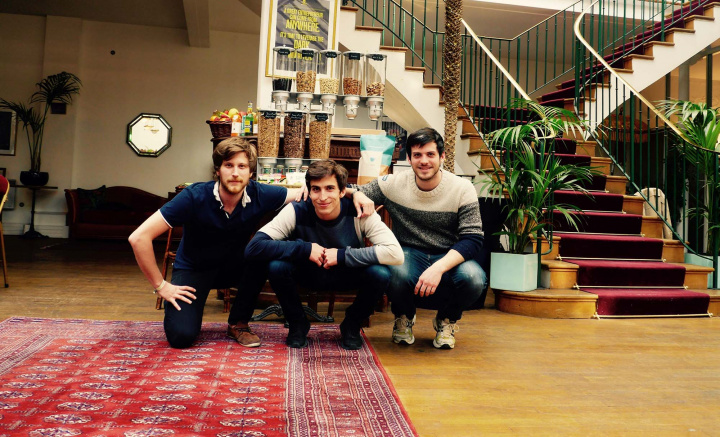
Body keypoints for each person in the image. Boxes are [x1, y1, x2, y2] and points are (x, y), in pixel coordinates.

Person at [128, 138, 373, 349]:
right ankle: (190, 315)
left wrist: (355, 192)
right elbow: (138, 238)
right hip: (194, 269)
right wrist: (161, 286)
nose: (235, 173)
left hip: (237, 267)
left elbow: (313, 192)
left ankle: (238, 323)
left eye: (242, 166)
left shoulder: (259, 193)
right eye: (228, 165)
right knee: (181, 337)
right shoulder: (193, 196)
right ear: (218, 170)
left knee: (262, 255)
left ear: (251, 173)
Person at [244, 159, 404, 350]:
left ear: (342, 191)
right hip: (308, 273)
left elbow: (395, 253)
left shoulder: (359, 211)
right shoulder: (297, 209)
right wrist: (305, 249)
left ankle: (351, 325)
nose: (322, 197)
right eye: (316, 189)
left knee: (380, 273)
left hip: (347, 273)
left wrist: (343, 256)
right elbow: (254, 247)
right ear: (309, 190)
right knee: (277, 267)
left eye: (330, 188)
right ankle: (298, 324)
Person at [353, 127, 486, 349]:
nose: (424, 161)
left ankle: (446, 319)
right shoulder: (393, 184)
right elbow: (349, 190)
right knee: (393, 273)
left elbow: (473, 238)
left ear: (442, 157)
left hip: (449, 254)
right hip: (408, 252)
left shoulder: (462, 188)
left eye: (430, 154)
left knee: (474, 278)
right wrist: (357, 193)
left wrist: (438, 268)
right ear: (409, 158)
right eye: (417, 155)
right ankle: (404, 316)